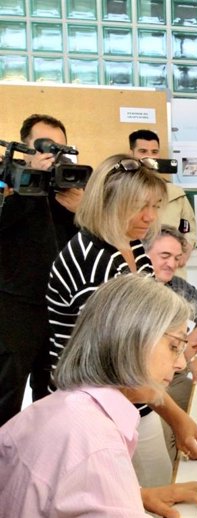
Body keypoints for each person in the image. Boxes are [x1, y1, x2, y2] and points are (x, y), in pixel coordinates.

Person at [0, 275, 197, 518]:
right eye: (174, 346)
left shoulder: (58, 408)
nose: (182, 363)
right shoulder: (97, 448)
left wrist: (136, 496)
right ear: (131, 341)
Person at [44, 153, 197, 488]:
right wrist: (177, 416)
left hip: (134, 398)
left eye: (155, 205)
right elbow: (118, 362)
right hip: (100, 407)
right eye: (139, 206)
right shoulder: (94, 264)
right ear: (108, 202)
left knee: (159, 484)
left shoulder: (130, 243)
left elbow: (151, 328)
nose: (150, 217)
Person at [0, 114, 83, 426]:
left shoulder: (69, 187)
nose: (52, 155)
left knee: (54, 398)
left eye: (58, 148)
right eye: (44, 147)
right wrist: (27, 187)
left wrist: (82, 209)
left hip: (60, 309)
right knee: (6, 395)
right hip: (13, 310)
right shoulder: (7, 180)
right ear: (25, 149)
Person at [144, 225, 197, 461]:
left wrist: (196, 336)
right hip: (148, 385)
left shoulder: (177, 286)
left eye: (177, 258)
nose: (172, 264)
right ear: (144, 253)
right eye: (164, 256)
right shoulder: (137, 293)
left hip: (176, 376)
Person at [129, 129, 197, 276]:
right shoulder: (122, 194)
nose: (149, 156)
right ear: (132, 154)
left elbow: (189, 229)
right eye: (143, 151)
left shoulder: (176, 194)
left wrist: (184, 252)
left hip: (172, 272)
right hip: (136, 271)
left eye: (154, 152)